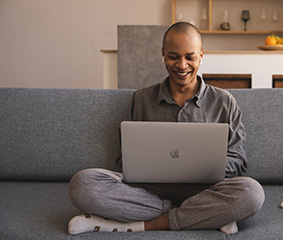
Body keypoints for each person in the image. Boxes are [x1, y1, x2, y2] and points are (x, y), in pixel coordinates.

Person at [67, 22, 264, 235]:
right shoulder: (140, 99)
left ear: (201, 55)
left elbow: (239, 160)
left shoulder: (225, 101)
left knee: (252, 193)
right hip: (149, 192)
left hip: (204, 191)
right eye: (173, 56)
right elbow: (123, 160)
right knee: (83, 184)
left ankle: (138, 225)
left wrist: (198, 166)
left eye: (190, 57)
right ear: (163, 54)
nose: (182, 65)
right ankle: (203, 216)